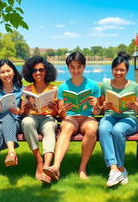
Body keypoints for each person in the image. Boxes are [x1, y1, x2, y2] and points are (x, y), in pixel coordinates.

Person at [43, 51, 100, 181]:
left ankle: (82, 168)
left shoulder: (93, 85)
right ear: (68, 68)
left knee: (92, 129)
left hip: (87, 118)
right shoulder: (63, 87)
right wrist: (63, 109)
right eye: (72, 67)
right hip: (71, 118)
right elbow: (62, 115)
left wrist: (96, 106)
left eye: (79, 67)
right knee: (66, 128)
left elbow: (97, 112)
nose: (76, 70)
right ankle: (56, 167)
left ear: (84, 67)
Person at [98, 51, 138, 187]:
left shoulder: (134, 86)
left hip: (128, 119)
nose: (118, 72)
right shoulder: (105, 86)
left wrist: (135, 106)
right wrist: (104, 106)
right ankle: (115, 169)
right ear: (112, 69)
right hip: (110, 116)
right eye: (116, 70)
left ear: (127, 70)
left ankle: (121, 167)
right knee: (103, 128)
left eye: (122, 70)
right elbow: (100, 108)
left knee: (118, 130)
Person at [21, 56, 58, 184]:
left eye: (41, 70)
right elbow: (22, 113)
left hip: (48, 117)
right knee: (26, 122)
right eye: (35, 70)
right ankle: (39, 162)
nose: (38, 73)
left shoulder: (53, 89)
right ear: (30, 72)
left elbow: (56, 113)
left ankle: (47, 167)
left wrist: (53, 108)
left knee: (49, 128)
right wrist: (26, 108)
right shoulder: (27, 90)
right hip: (32, 116)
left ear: (46, 71)